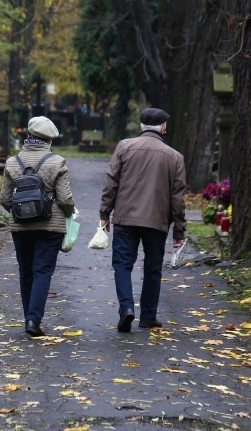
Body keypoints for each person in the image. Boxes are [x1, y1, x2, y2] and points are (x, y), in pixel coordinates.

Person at [99, 107, 186, 332]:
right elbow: (178, 197)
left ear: (141, 127)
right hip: (157, 221)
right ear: (163, 128)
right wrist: (179, 230)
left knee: (122, 264)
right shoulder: (175, 157)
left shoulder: (124, 147)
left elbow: (112, 182)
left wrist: (104, 213)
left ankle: (126, 308)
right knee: (153, 268)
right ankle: (148, 316)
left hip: (126, 218)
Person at [0, 116, 75, 337]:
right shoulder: (57, 162)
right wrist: (69, 216)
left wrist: (21, 213)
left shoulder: (12, 162)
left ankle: (27, 319)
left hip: (20, 228)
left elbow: (5, 199)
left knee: (26, 272)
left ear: (29, 136)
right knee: (42, 271)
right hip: (50, 226)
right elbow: (65, 199)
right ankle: (34, 320)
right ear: (49, 140)